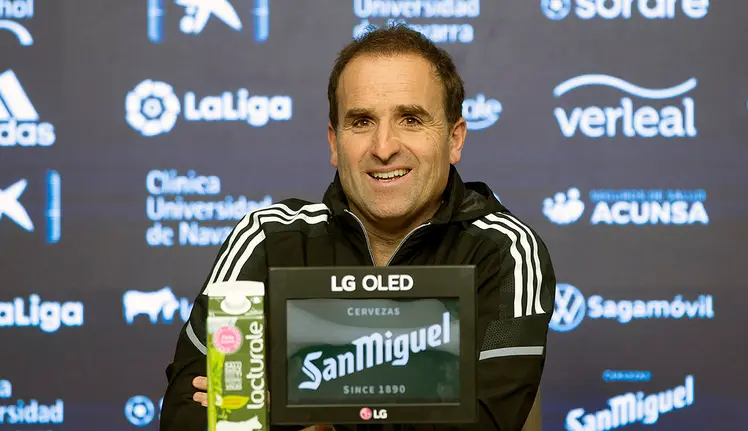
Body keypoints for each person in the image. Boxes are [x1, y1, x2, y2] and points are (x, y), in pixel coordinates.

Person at [159, 23, 556, 431]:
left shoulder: (504, 252)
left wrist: (295, 413)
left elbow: (483, 425)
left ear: (454, 139)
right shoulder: (267, 240)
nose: (384, 148)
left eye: (411, 120)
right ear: (334, 143)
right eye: (362, 122)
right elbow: (184, 415)